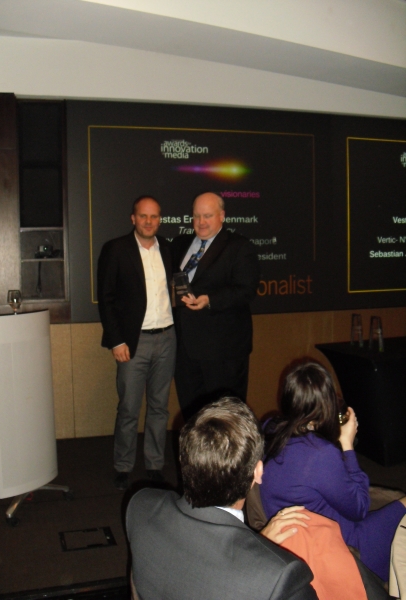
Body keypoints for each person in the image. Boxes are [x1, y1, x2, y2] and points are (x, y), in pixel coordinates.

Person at [126, 397, 318, 600]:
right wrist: (258, 547)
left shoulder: (141, 507)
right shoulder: (280, 577)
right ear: (258, 472)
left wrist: (256, 546)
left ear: (185, 459)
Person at [259, 361, 406, 583]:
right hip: (343, 546)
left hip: (298, 539)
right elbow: (359, 508)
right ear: (326, 404)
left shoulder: (270, 427)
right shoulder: (320, 454)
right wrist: (347, 444)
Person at [97, 195, 176, 490]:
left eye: (154, 216)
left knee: (159, 407)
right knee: (129, 408)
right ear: (133, 218)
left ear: (160, 219)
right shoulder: (116, 249)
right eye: (143, 216)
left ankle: (155, 464)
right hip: (133, 342)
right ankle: (123, 466)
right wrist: (116, 340)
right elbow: (106, 298)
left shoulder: (167, 248)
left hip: (167, 338)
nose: (148, 221)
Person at [171, 192, 260, 420]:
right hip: (185, 350)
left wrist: (210, 300)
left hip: (222, 351)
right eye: (196, 216)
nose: (201, 222)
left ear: (222, 216)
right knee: (192, 416)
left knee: (225, 418)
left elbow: (246, 290)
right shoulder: (179, 244)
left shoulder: (239, 246)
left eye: (208, 216)